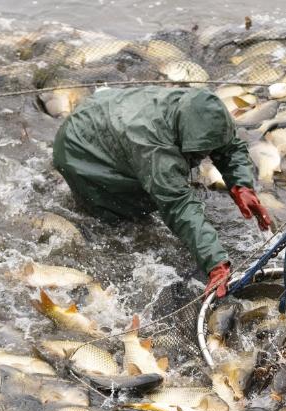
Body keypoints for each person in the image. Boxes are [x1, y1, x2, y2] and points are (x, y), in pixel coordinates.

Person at [52, 86, 272, 298]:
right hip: (77, 147)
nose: (206, 155)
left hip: (107, 112)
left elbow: (230, 145)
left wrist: (241, 185)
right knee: (121, 219)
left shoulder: (205, 110)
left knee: (158, 188)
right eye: (200, 151)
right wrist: (215, 262)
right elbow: (177, 204)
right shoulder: (155, 147)